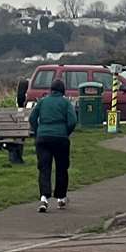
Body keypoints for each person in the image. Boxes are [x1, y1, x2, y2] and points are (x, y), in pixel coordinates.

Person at [28, 78, 78, 213]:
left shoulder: (42, 102)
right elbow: (73, 120)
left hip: (43, 138)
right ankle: (61, 198)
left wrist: (38, 130)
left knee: (44, 168)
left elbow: (32, 118)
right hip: (61, 139)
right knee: (62, 168)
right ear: (63, 91)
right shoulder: (66, 103)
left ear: (51, 90)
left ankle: (44, 198)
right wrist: (65, 132)